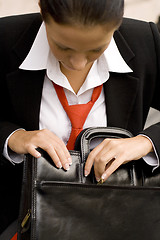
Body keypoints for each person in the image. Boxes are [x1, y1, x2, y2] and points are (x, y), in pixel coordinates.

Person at [0, 0, 160, 237]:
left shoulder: (146, 41)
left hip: (118, 221)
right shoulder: (5, 38)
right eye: (63, 47)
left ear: (117, 24)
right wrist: (13, 137)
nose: (78, 64)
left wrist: (146, 142)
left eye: (96, 49)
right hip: (20, 221)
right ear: (43, 12)